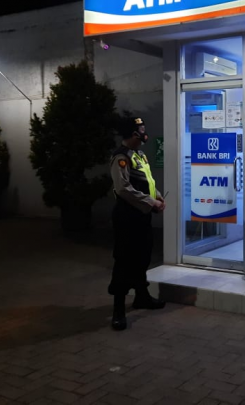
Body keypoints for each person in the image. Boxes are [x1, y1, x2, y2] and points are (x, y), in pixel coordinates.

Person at [108, 116, 166, 331]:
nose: (144, 132)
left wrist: (157, 195)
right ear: (133, 133)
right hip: (127, 216)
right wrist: (150, 202)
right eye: (141, 129)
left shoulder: (139, 155)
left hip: (142, 215)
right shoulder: (121, 157)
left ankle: (142, 297)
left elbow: (146, 180)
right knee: (124, 260)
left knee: (143, 257)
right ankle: (118, 311)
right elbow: (123, 188)